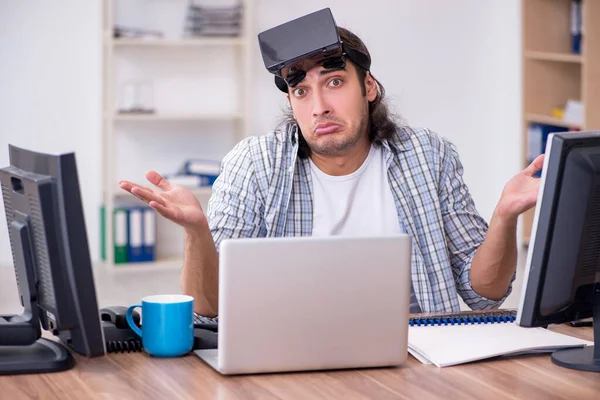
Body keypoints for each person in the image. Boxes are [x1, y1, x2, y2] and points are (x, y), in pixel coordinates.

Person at [119, 11, 543, 318]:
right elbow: (210, 309)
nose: (319, 106)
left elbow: (483, 293)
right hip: (290, 356)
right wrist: (197, 232)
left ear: (369, 87)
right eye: (301, 91)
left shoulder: (429, 155)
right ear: (290, 102)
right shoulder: (255, 164)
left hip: (422, 353)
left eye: (334, 82)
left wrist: (505, 217)